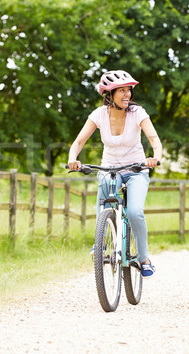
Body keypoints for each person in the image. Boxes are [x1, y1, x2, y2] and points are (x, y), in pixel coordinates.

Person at [68, 70, 162, 278]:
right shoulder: (98, 115)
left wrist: (154, 156)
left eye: (129, 90)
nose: (127, 94)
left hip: (136, 169)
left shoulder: (138, 113)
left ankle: (144, 259)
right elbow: (79, 141)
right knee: (104, 196)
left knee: (135, 211)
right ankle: (100, 242)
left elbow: (154, 139)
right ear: (109, 95)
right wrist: (72, 158)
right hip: (109, 168)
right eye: (122, 90)